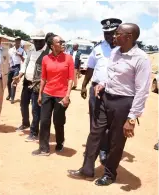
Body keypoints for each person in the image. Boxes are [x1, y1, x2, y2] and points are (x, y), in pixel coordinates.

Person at [68, 23, 151, 186]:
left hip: (124, 103)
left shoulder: (141, 58)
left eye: (117, 33)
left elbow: (142, 90)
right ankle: (86, 169)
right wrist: (103, 84)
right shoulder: (114, 52)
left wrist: (132, 118)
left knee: (116, 140)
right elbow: (112, 76)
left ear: (128, 37)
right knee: (95, 133)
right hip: (106, 98)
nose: (114, 36)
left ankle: (110, 174)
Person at [80, 18, 122, 164]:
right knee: (95, 122)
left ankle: (106, 149)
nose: (109, 36)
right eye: (106, 33)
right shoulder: (97, 48)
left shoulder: (124, 49)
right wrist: (84, 85)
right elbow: (90, 68)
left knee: (111, 124)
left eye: (111, 33)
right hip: (96, 90)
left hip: (115, 92)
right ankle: (97, 149)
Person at [32, 34, 74, 156]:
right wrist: (40, 94)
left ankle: (60, 142)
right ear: (52, 46)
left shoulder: (68, 58)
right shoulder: (46, 59)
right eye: (60, 42)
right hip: (47, 93)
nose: (63, 44)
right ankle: (44, 148)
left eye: (63, 41)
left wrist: (67, 96)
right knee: (44, 121)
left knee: (58, 121)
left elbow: (70, 79)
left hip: (61, 95)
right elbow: (43, 78)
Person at [12, 31, 51, 142]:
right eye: (35, 40)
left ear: (44, 40)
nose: (37, 43)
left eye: (39, 41)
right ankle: (25, 123)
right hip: (27, 82)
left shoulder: (48, 52)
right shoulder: (31, 50)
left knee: (35, 109)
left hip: (38, 85)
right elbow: (25, 63)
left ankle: (34, 133)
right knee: (23, 104)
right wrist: (19, 75)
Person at [6, 36, 26, 104]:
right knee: (8, 82)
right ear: (15, 41)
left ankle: (12, 98)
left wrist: (20, 55)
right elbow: (8, 58)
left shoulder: (22, 50)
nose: (18, 42)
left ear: (20, 42)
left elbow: (24, 60)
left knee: (14, 82)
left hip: (17, 67)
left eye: (19, 41)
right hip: (10, 67)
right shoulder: (11, 49)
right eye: (17, 40)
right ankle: (9, 94)